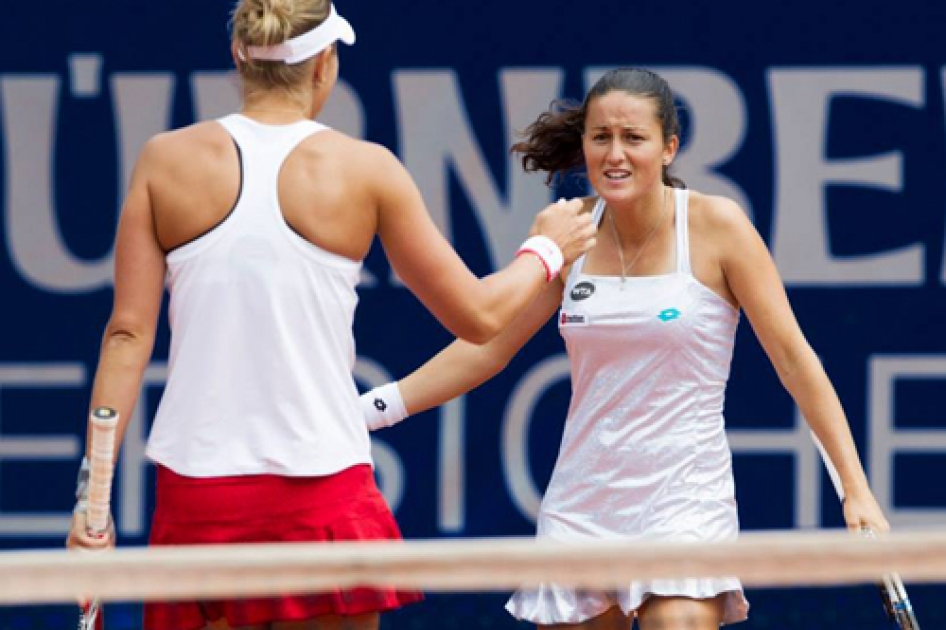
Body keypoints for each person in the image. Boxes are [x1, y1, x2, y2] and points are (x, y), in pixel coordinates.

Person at [64, 1, 596, 628]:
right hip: (323, 497)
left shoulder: (164, 160)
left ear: (239, 56)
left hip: (201, 499)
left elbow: (127, 335)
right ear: (324, 64)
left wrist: (91, 504)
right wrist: (545, 250)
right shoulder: (367, 170)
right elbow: (480, 315)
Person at [359, 67, 890, 630]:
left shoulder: (719, 227)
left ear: (669, 148)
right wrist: (370, 410)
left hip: (683, 501)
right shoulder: (568, 232)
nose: (615, 154)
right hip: (581, 505)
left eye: (633, 138)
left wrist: (856, 491)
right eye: (601, 137)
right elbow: (487, 346)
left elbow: (794, 360)